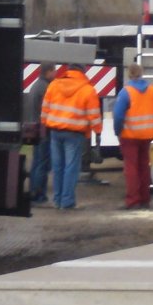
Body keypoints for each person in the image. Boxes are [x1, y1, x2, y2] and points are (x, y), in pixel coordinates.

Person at [41, 64, 103, 210]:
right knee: (71, 168)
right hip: (74, 134)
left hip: (55, 132)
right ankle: (67, 201)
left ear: (68, 71)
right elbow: (94, 114)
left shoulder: (54, 85)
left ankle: (57, 200)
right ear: (82, 72)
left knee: (57, 167)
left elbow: (45, 108)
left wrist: (44, 125)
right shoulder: (88, 90)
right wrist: (98, 131)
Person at [113, 63, 153, 209]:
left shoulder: (126, 92)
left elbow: (118, 115)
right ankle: (145, 199)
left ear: (129, 74)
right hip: (148, 134)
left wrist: (117, 131)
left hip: (130, 135)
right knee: (144, 166)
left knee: (131, 168)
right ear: (142, 73)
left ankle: (133, 200)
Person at [23, 62, 55, 205]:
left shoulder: (36, 85)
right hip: (43, 130)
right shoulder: (45, 88)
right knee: (42, 163)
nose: (55, 74)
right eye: (54, 71)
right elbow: (48, 109)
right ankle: (38, 194)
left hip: (35, 128)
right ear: (48, 71)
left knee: (36, 163)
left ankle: (33, 192)